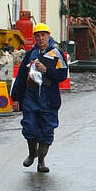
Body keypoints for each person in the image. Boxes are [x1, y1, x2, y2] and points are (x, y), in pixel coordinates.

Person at [10, 23, 68, 173]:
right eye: (38, 36)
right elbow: (21, 77)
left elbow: (62, 75)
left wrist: (46, 70)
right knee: (29, 127)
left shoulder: (56, 53)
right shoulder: (31, 54)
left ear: (48, 36)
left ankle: (41, 161)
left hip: (49, 98)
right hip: (31, 97)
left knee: (47, 131)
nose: (41, 38)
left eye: (43, 35)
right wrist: (15, 97)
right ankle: (32, 153)